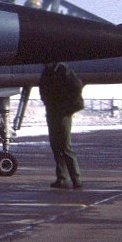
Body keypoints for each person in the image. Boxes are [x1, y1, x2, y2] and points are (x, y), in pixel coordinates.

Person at [38, 61, 84, 189]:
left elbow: (77, 86)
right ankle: (62, 178)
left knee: (65, 146)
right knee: (55, 146)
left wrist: (68, 107)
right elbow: (42, 88)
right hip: (53, 112)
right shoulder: (48, 72)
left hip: (63, 113)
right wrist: (47, 101)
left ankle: (76, 178)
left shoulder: (63, 70)